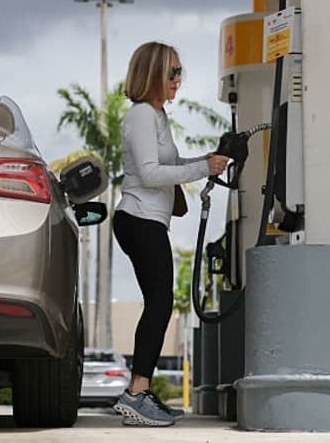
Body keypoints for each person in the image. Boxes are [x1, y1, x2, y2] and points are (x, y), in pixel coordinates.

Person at [111, 41, 229, 427]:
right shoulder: (142, 115)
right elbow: (149, 173)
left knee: (159, 303)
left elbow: (172, 163)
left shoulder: (157, 116)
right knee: (160, 303)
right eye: (172, 72)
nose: (179, 79)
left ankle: (140, 391)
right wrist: (201, 170)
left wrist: (210, 160)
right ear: (153, 75)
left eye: (180, 71)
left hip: (149, 220)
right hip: (139, 219)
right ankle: (135, 393)